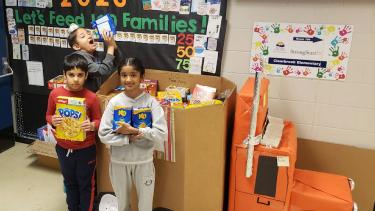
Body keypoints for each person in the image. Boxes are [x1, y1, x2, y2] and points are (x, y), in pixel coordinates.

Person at [98, 58, 168, 211]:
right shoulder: (115, 102)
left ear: (142, 77)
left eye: (133, 75)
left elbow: (162, 134)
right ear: (120, 77)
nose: (128, 79)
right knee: (122, 205)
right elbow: (103, 134)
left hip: (143, 162)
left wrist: (138, 131)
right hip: (118, 162)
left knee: (145, 205)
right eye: (124, 75)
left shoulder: (151, 102)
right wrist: (127, 137)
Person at [46, 53, 102, 211]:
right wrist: (53, 120)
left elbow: (99, 121)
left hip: (86, 149)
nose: (75, 79)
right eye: (71, 75)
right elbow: (48, 115)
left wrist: (91, 125)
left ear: (86, 76)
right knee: (70, 183)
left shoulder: (91, 98)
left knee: (86, 185)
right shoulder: (55, 94)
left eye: (80, 75)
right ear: (64, 75)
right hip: (63, 148)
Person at [67, 23, 122, 92]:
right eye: (83, 36)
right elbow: (103, 70)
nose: (89, 36)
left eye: (88, 33)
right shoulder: (80, 58)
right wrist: (110, 47)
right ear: (76, 46)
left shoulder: (94, 54)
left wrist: (113, 44)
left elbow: (115, 61)